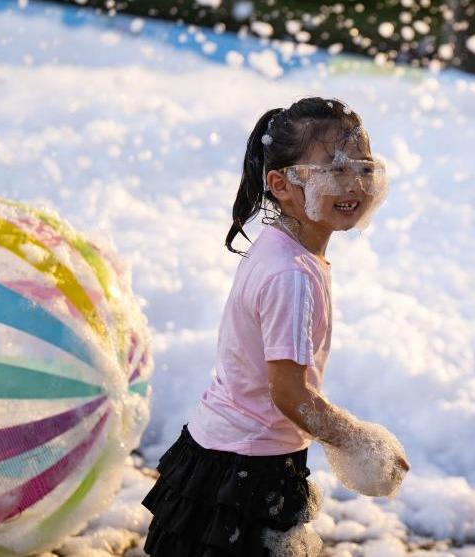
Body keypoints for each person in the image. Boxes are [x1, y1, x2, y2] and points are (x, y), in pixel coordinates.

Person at [141, 96, 410, 557]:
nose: (354, 184)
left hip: (216, 447)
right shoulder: (292, 275)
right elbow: (289, 394)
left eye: (364, 168)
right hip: (248, 468)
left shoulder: (279, 248)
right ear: (281, 185)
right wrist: (358, 442)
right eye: (335, 169)